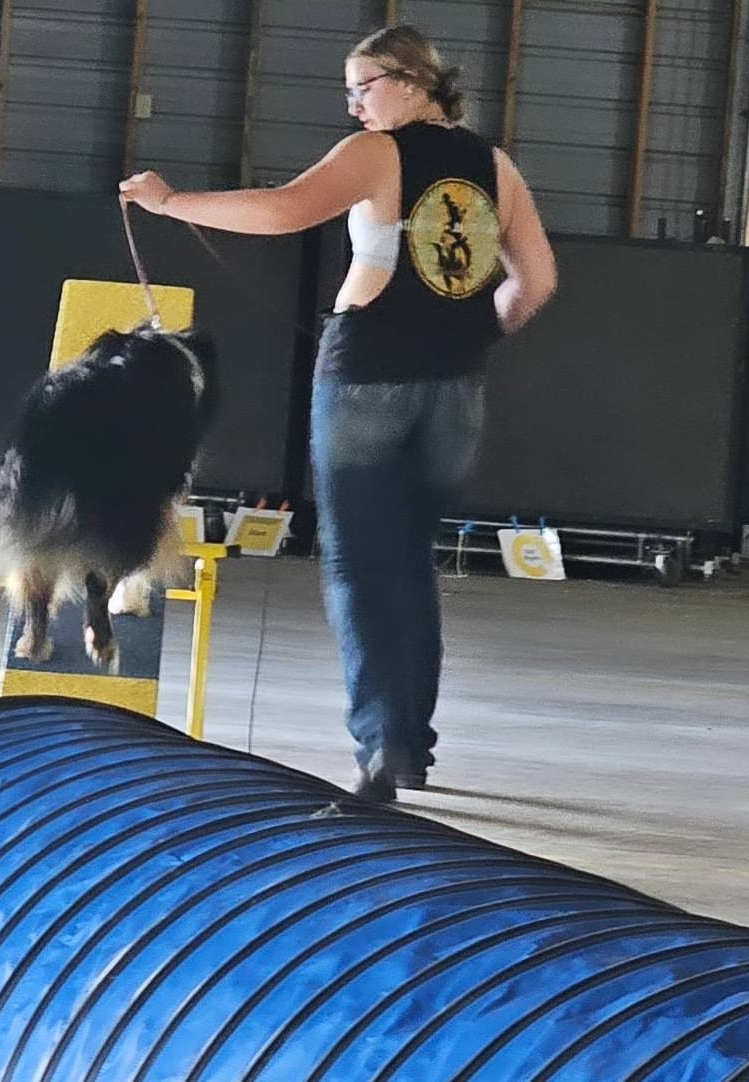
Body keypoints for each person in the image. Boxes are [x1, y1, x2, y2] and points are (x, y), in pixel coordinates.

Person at [121, 25, 557, 802]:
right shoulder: (496, 166)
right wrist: (468, 334)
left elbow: (287, 210)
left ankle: (379, 747)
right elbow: (535, 283)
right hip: (456, 390)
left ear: (413, 83)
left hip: (366, 378)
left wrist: (169, 202)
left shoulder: (380, 153)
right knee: (411, 560)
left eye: (364, 87)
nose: (355, 106)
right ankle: (412, 744)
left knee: (358, 564)